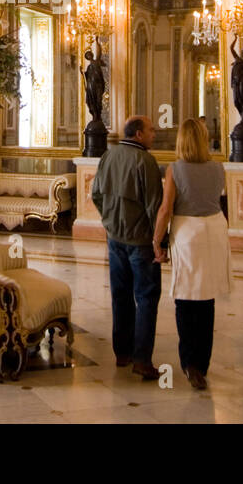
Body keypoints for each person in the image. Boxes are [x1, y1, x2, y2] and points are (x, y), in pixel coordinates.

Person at [152, 118, 230, 390]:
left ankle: (190, 364)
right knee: (206, 298)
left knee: (185, 298)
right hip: (215, 228)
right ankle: (202, 363)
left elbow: (166, 209)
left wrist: (156, 240)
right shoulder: (219, 166)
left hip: (189, 233)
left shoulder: (175, 169)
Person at [91, 115, 163, 379]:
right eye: (151, 129)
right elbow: (154, 206)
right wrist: (160, 242)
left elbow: (96, 194)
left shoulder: (108, 157)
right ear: (139, 135)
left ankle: (122, 353)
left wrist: (108, 220)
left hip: (114, 238)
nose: (154, 134)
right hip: (141, 241)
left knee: (120, 295)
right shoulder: (146, 161)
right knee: (145, 298)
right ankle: (142, 360)